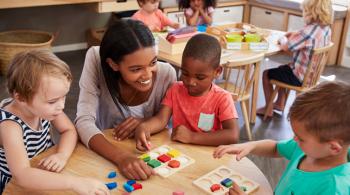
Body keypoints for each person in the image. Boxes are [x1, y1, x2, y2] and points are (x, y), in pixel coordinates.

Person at [75, 19, 177, 180]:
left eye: (153, 62)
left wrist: (145, 122)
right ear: (113, 65)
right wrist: (121, 157)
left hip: (148, 157)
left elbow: (166, 122)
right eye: (136, 69)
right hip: (105, 153)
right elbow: (83, 121)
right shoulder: (96, 58)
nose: (148, 75)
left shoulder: (167, 74)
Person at [0, 50, 109, 194]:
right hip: (15, 187)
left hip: (43, 171)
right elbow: (22, 175)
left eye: (63, 97)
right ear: (21, 98)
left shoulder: (44, 108)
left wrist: (62, 155)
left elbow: (69, 130)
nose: (61, 106)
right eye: (52, 101)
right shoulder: (9, 126)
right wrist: (75, 183)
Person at [214, 81, 350, 195]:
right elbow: (275, 148)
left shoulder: (334, 189)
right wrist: (250, 146)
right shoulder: (307, 150)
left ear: (333, 147)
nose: (295, 139)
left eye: (301, 138)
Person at [135, 34, 239, 151]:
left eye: (200, 77)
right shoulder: (175, 89)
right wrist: (144, 127)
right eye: (185, 73)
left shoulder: (222, 98)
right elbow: (161, 120)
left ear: (217, 71)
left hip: (208, 155)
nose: (190, 82)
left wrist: (192, 137)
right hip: (180, 153)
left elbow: (232, 135)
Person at [256, 0, 332, 117]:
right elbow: (305, 39)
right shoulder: (326, 29)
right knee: (282, 69)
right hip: (312, 76)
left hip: (299, 77)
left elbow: (287, 46)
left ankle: (268, 108)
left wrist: (283, 38)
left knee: (267, 74)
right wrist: (295, 34)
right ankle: (279, 103)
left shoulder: (306, 32)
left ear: (310, 11)